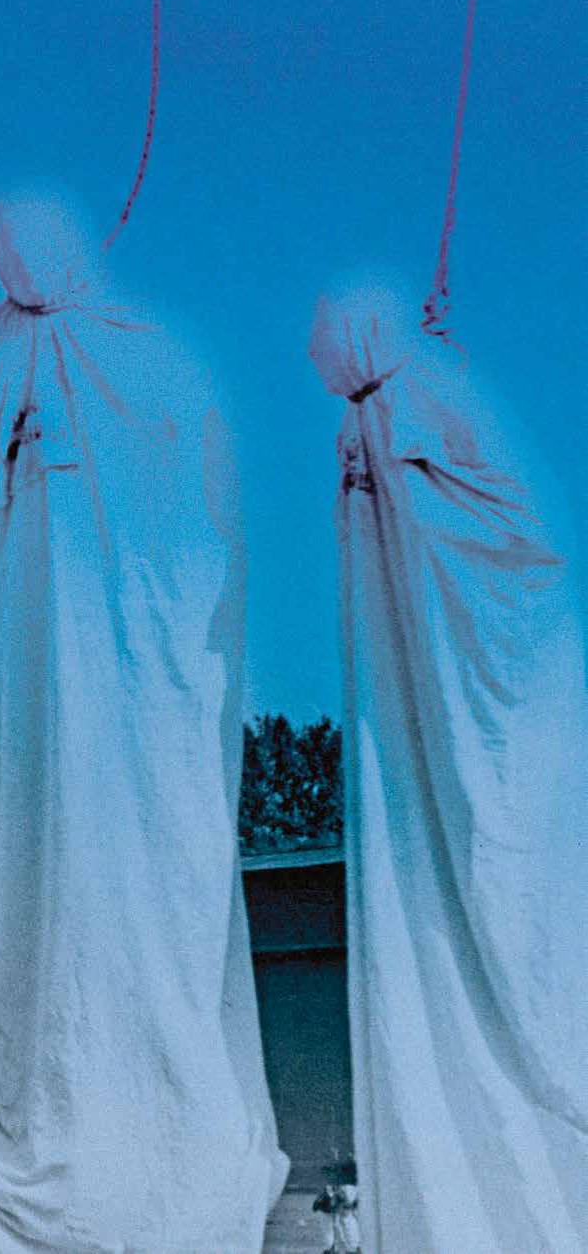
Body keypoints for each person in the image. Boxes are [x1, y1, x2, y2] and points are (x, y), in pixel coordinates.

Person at [0, 197, 288, 1253]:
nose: (21, 261)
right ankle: (56, 1118)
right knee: (37, 899)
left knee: (154, 893)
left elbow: (206, 534)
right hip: (24, 687)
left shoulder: (157, 359)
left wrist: (164, 653)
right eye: (1, 248)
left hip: (140, 691)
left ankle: (166, 1128)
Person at [318, 287, 588, 1249]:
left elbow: (512, 548)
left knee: (512, 885)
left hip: (497, 689)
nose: (312, 359)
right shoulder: (382, 412)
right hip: (422, 713)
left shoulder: (429, 404)